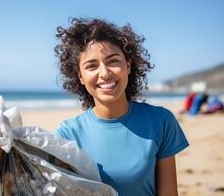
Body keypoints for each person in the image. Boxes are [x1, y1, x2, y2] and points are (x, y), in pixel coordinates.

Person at [54, 18, 189, 196]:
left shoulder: (161, 121)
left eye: (113, 61)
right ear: (80, 77)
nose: (104, 73)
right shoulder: (67, 135)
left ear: (128, 65)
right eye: (91, 66)